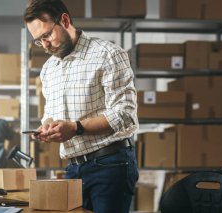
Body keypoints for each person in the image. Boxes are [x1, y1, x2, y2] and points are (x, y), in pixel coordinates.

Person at [23, 0, 139, 212]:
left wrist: (76, 128)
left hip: (110, 164)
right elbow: (50, 113)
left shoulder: (108, 54)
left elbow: (124, 114)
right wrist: (48, 127)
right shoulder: (49, 69)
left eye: (47, 35)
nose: (45, 45)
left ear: (65, 20)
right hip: (74, 168)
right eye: (39, 41)